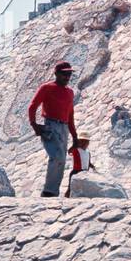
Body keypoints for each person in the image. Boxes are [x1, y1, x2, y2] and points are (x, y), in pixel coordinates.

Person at [27, 60, 80, 197]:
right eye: (64, 74)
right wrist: (34, 125)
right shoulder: (47, 87)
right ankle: (48, 192)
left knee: (61, 160)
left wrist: (74, 136)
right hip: (51, 126)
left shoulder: (69, 92)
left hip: (64, 128)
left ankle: (52, 191)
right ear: (56, 73)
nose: (67, 77)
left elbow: (70, 115)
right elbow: (33, 106)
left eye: (69, 74)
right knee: (56, 157)